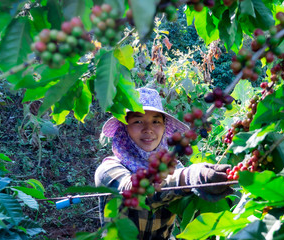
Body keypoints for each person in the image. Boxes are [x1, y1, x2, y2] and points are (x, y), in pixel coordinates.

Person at [95, 87, 233, 240]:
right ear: (124, 126)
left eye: (156, 121)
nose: (148, 129)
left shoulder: (173, 167)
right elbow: (137, 192)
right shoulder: (108, 170)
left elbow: (190, 209)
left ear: (164, 127)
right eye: (138, 121)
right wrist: (188, 177)